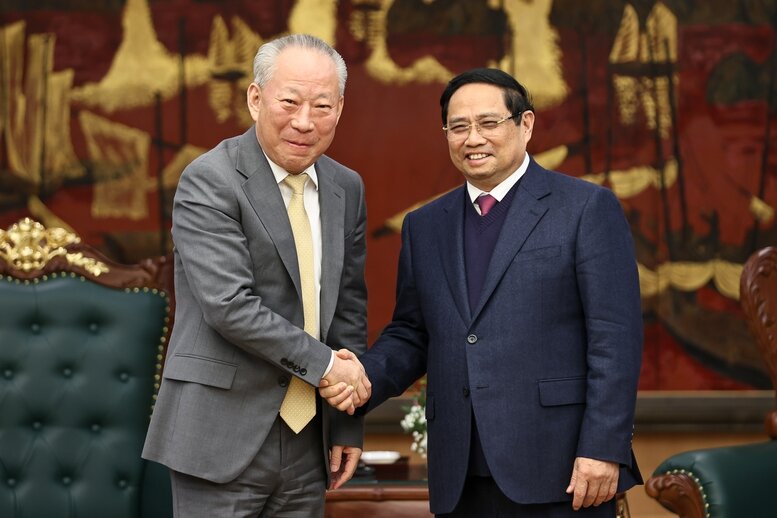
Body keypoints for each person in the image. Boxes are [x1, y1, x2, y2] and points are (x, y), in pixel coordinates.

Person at [322, 68, 643, 517]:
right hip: (460, 472)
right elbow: (412, 333)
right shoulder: (426, 225)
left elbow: (615, 339)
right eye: (458, 127)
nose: (473, 138)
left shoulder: (586, 208)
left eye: (488, 123)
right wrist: (361, 379)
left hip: (563, 469)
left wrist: (604, 448)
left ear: (525, 124)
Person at [142, 34, 370, 518]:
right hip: (220, 435)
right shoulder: (210, 179)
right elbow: (230, 305)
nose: (304, 122)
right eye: (289, 102)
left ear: (341, 109)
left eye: (322, 106)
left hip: (309, 440)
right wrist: (332, 368)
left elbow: (348, 305)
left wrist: (348, 420)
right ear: (255, 98)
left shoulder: (345, 187)